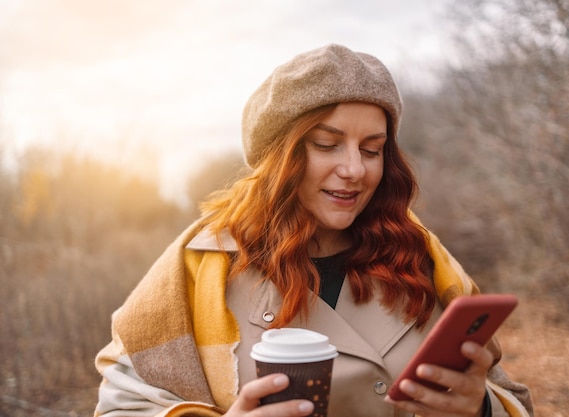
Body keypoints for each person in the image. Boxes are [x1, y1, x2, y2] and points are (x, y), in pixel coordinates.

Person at [93, 44, 534, 417]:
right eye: (326, 145)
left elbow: (512, 399)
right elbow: (120, 406)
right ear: (278, 155)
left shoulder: (422, 257)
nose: (354, 170)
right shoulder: (200, 265)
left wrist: (481, 409)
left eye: (372, 149)